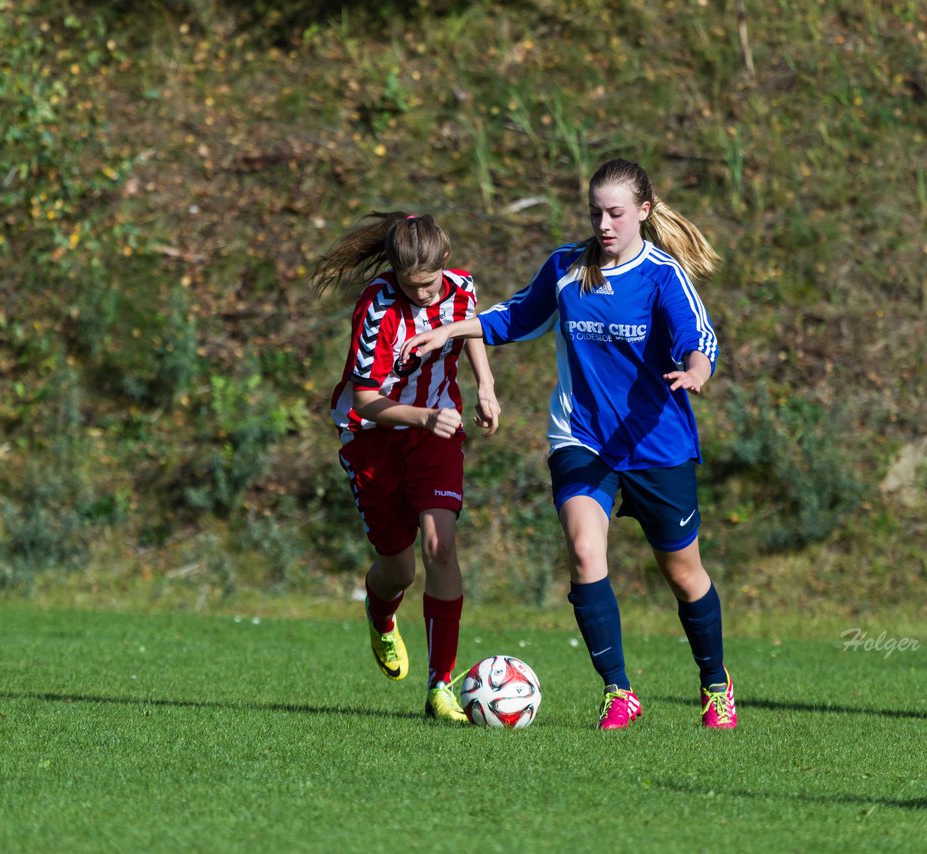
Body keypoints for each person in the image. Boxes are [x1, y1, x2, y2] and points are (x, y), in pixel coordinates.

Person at [399, 158, 736, 730]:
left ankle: (715, 683)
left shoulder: (663, 274)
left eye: (616, 213)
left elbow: (696, 335)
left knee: (684, 574)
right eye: (595, 212)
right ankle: (619, 691)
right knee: (584, 553)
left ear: (644, 213)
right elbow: (514, 318)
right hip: (582, 439)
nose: (603, 224)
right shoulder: (566, 269)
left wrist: (696, 370)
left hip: (658, 444)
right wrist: (450, 330)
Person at [311, 211, 500, 723]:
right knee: (399, 567)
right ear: (395, 273)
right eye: (411, 286)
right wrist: (424, 416)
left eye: (430, 284)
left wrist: (484, 385)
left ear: (445, 263)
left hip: (434, 437)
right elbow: (368, 399)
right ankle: (380, 613)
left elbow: (473, 329)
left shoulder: (461, 288)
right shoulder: (375, 305)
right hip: (372, 438)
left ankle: (441, 686)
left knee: (441, 546)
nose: (422, 295)